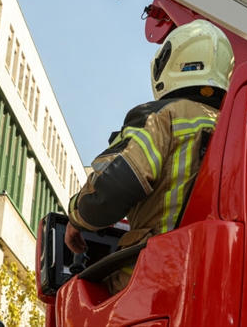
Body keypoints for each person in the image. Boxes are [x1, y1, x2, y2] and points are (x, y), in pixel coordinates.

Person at [64, 19, 235, 294]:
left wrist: (76, 218)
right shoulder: (236, 127)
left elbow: (116, 184)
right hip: (216, 277)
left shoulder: (163, 116)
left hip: (152, 279)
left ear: (171, 63)